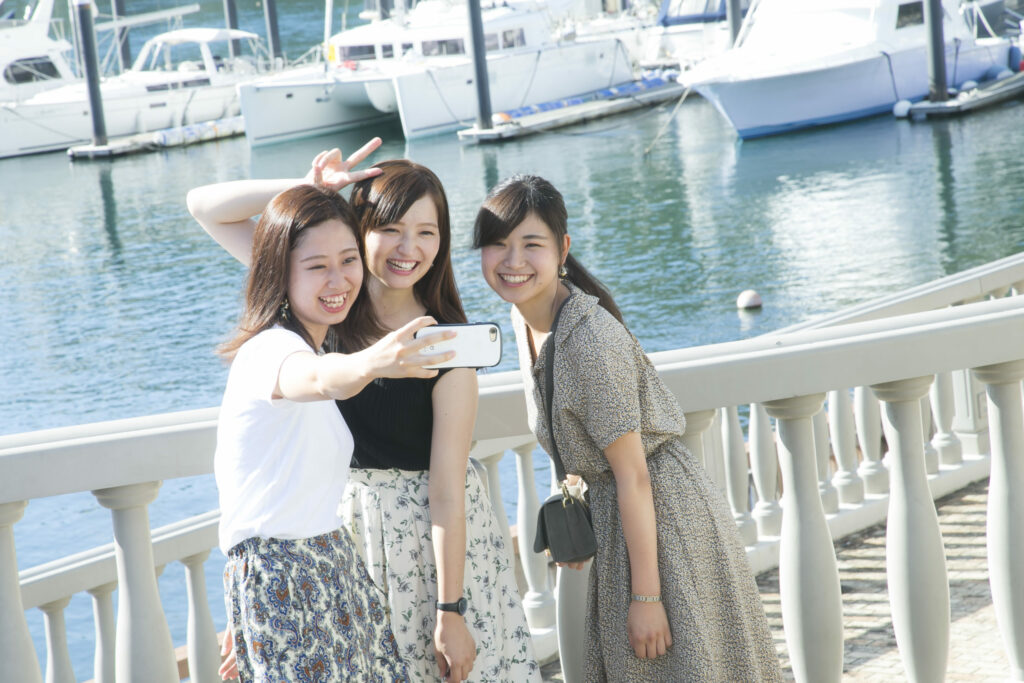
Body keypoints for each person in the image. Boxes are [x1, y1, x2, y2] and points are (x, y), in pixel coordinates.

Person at [190, 141, 539, 683]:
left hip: (428, 549)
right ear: (361, 230)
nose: (408, 248)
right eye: (390, 229)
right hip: (341, 539)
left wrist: (451, 609)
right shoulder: (325, 302)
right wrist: (309, 191)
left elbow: (447, 489)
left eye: (427, 232)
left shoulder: (440, 339)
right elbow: (206, 207)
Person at [474, 175, 783, 682]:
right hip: (625, 519)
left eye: (531, 244)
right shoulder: (524, 317)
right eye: (498, 244)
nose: (513, 260)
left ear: (562, 249)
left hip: (662, 522)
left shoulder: (588, 341)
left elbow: (634, 475)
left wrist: (647, 599)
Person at [204, 179, 450, 681]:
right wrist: (374, 361)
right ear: (278, 271)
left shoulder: (311, 341)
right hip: (283, 579)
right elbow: (315, 379)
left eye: (348, 260)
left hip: (332, 564)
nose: (338, 280)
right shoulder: (271, 349)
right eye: (317, 266)